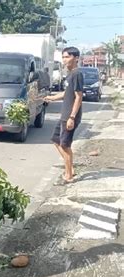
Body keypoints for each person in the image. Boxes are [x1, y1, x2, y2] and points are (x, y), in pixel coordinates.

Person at [44, 47, 84, 184]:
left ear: (76, 58)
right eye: (63, 57)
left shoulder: (77, 74)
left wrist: (72, 117)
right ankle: (70, 169)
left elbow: (79, 97)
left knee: (65, 146)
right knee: (56, 140)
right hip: (64, 116)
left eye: (67, 57)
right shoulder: (70, 74)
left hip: (69, 117)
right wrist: (51, 98)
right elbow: (67, 94)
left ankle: (69, 176)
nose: (64, 60)